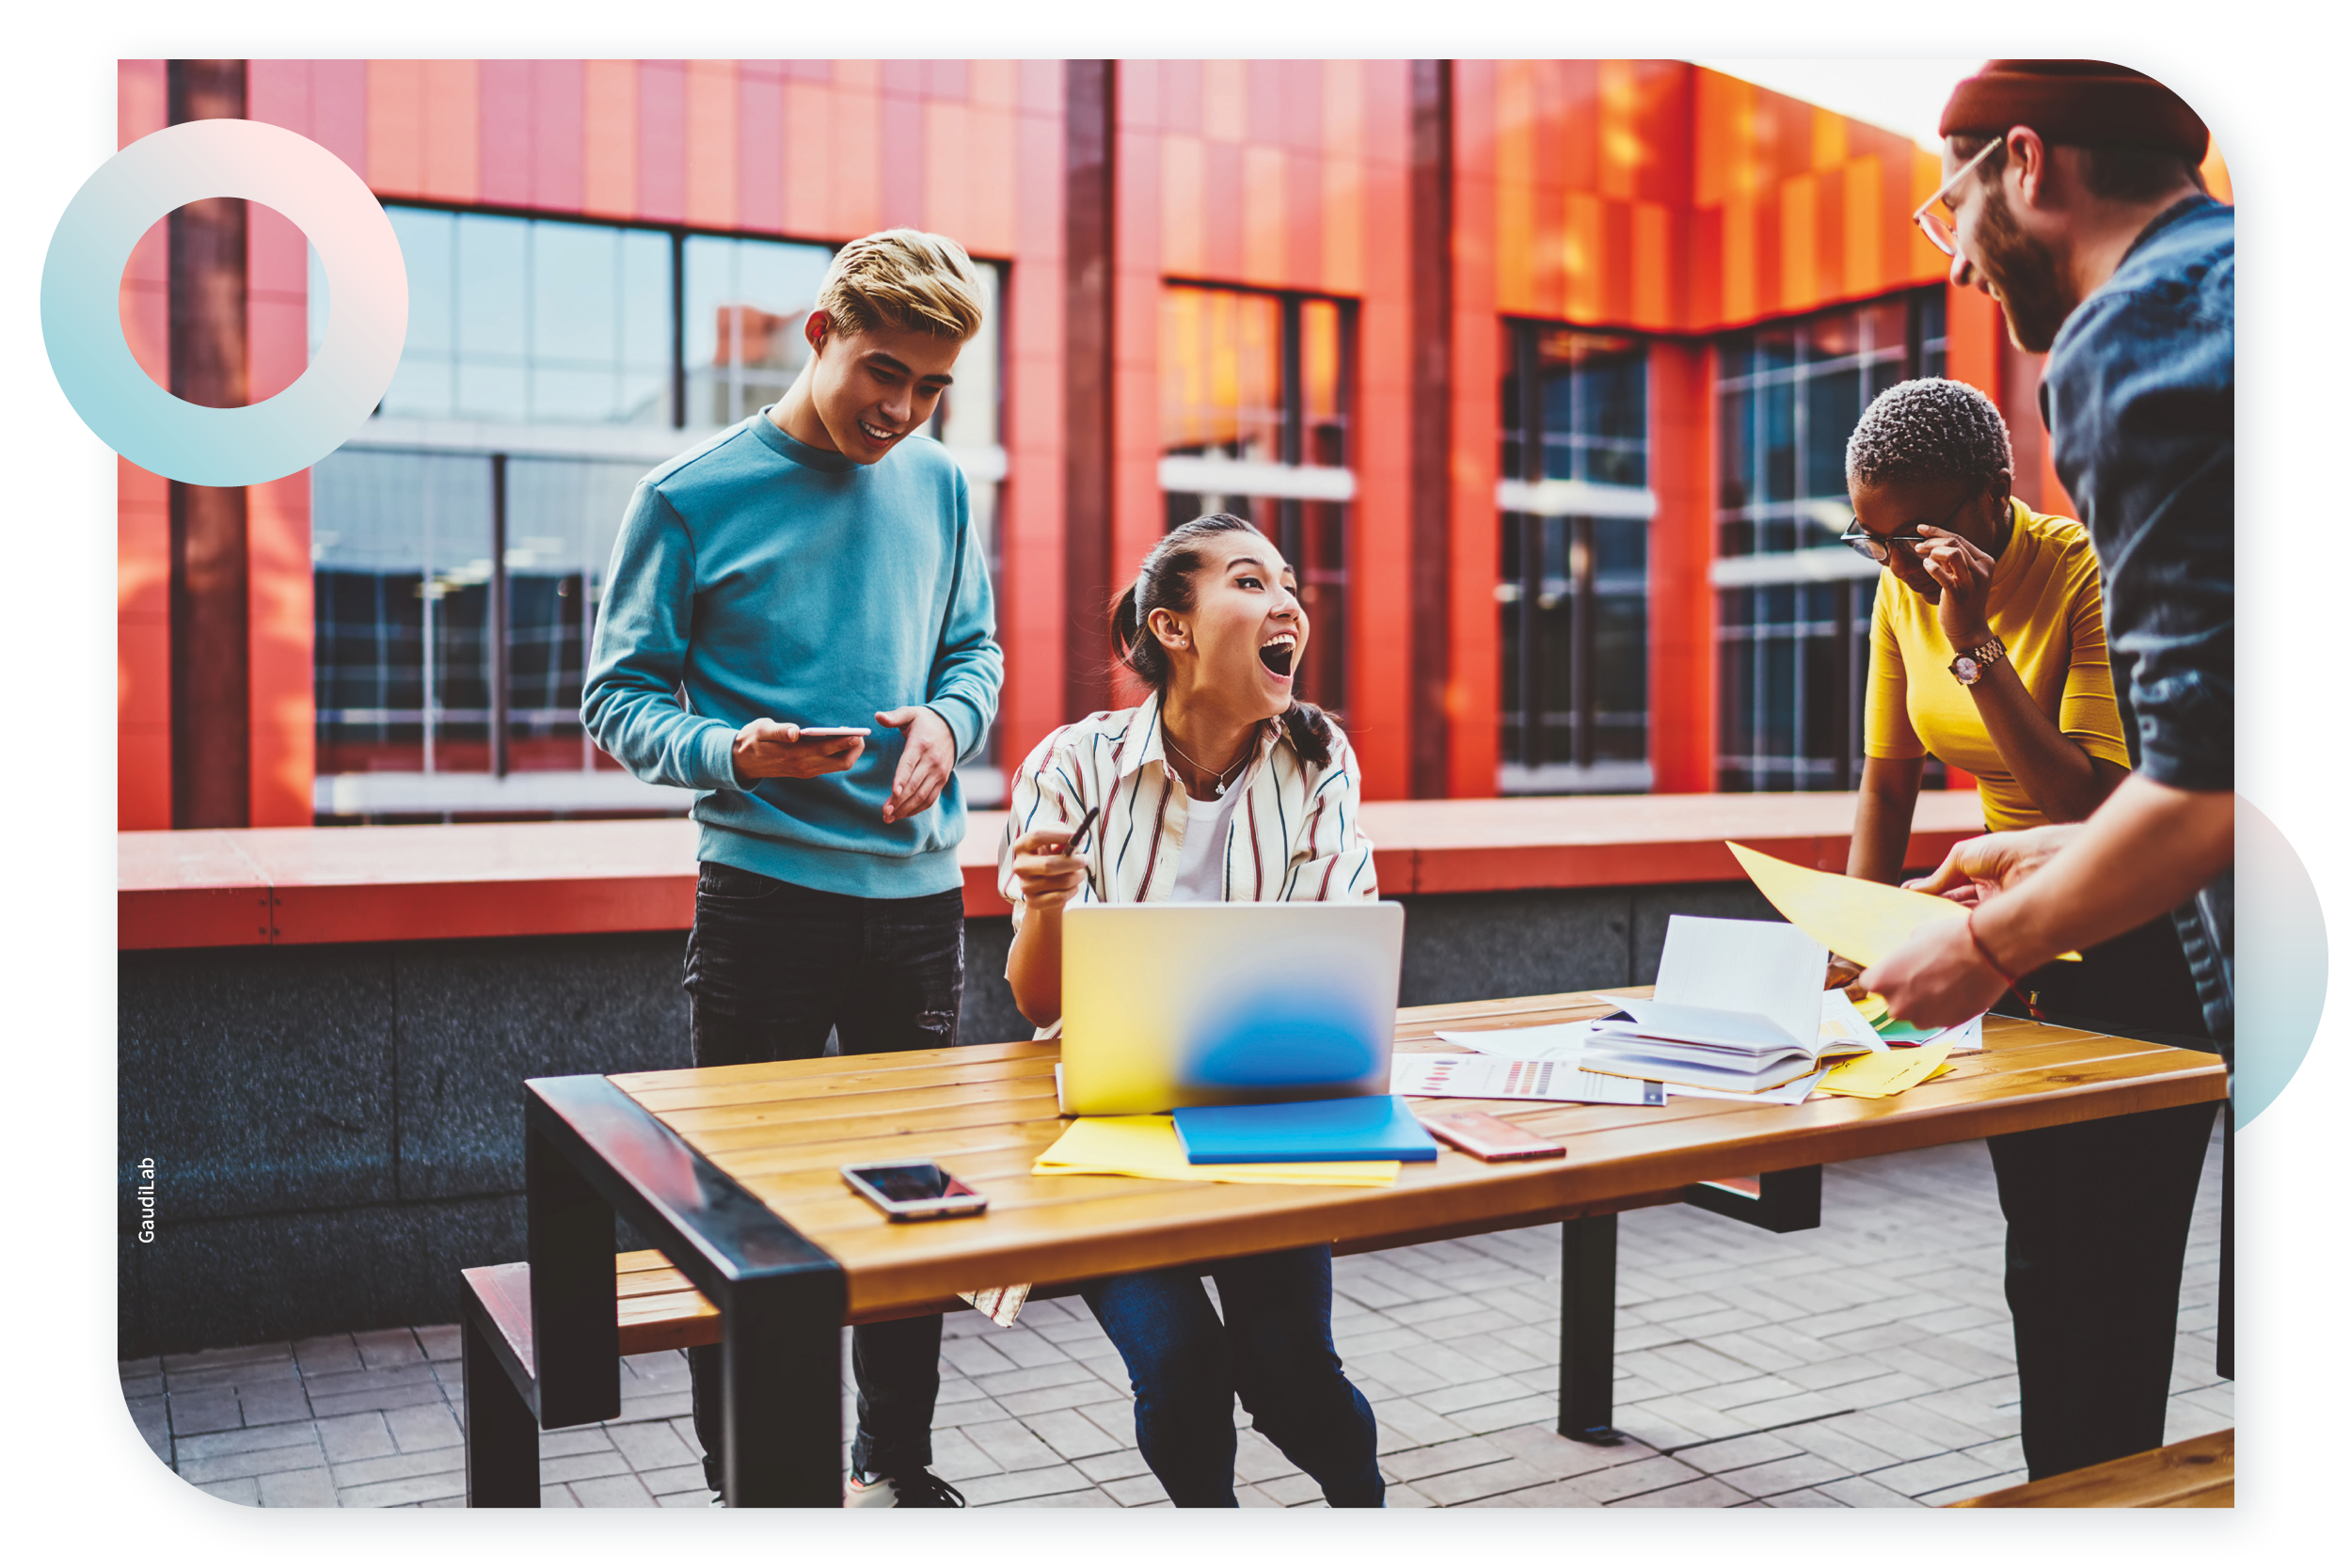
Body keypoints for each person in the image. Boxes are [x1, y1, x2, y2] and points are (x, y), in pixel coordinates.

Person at [582, 229, 1002, 1509]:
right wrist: (733, 752)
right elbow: (617, 697)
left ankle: (900, 1459)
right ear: (817, 332)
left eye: (932, 386)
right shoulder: (689, 494)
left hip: (920, 904)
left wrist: (949, 722)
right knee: (743, 1216)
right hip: (764, 903)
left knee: (914, 1205)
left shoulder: (937, 484)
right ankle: (753, 1487)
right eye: (886, 371)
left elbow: (972, 654)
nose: (904, 409)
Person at [1858, 59, 2234, 1481]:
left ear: (2028, 162)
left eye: (1949, 204)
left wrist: (1989, 936)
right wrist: (2021, 866)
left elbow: (2202, 780)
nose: (1951, 254)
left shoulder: (2139, 331)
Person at [997, 513, 1383, 1509]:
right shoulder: (1071, 763)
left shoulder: (1318, 758)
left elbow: (1337, 953)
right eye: (1250, 582)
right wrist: (1043, 906)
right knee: (1180, 1371)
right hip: (1110, 1128)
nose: (1286, 602)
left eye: (1288, 584)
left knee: (1293, 1378)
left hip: (1262, 1117)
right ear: (1172, 627)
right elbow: (1040, 1001)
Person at [1841, 376, 2202, 1035]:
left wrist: (1974, 643)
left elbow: (2086, 808)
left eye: (1913, 536)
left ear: (1995, 493)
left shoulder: (2085, 572)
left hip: (2120, 900)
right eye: (1872, 540)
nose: (1896, 565)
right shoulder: (1903, 584)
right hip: (1996, 897)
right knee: (2013, 1130)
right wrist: (1853, 937)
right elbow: (1889, 788)